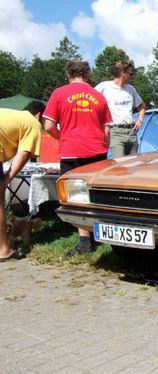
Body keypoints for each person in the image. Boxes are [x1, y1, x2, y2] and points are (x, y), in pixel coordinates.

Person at [43, 59, 113, 257]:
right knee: (96, 193)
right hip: (97, 151)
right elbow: (107, 127)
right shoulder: (99, 96)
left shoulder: (59, 93)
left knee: (76, 196)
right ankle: (101, 232)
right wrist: (104, 145)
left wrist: (62, 137)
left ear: (68, 74)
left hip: (71, 151)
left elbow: (48, 126)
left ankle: (84, 241)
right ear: (87, 74)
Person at [0, 101, 45, 261]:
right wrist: (6, 180)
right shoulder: (32, 123)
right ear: (39, 115)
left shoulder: (12, 116)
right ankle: (3, 250)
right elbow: (25, 154)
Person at [95, 60, 146, 158]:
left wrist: (140, 120)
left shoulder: (130, 89)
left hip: (131, 132)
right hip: (115, 132)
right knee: (119, 167)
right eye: (130, 73)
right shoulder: (104, 87)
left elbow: (142, 106)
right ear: (123, 73)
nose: (132, 76)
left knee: (133, 165)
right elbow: (91, 101)